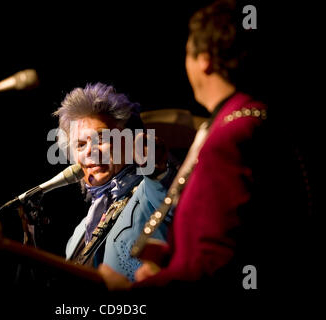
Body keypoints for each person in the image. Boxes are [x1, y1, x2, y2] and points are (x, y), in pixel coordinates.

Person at [98, 0, 277, 291]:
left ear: (204, 59)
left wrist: (131, 293)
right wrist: (171, 256)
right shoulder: (244, 120)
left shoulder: (230, 136)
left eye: (187, 54)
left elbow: (212, 264)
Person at [53, 82, 175, 281]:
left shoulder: (150, 192)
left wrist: (154, 166)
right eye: (80, 144)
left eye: (101, 139)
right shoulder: (80, 233)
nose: (89, 151)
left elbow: (168, 192)